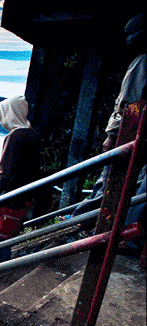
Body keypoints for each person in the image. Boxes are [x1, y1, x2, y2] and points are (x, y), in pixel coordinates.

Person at [72, 13, 145, 254]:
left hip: (129, 137)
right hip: (137, 138)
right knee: (128, 185)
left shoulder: (142, 62)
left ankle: (89, 223)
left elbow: (128, 104)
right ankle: (105, 227)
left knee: (112, 180)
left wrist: (112, 134)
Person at [0, 95, 41, 274]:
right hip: (23, 194)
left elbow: (5, 173)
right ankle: (1, 269)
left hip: (8, 194)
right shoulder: (32, 134)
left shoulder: (15, 136)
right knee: (5, 231)